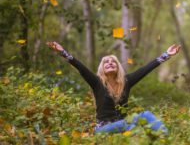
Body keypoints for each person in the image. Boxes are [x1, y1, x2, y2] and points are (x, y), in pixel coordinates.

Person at [46, 42, 181, 135]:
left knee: (140, 121)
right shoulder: (97, 82)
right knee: (136, 123)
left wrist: (166, 55)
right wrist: (63, 52)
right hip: (103, 129)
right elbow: (81, 68)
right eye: (106, 62)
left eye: (113, 62)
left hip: (124, 125)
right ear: (102, 68)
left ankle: (166, 137)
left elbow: (145, 69)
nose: (110, 63)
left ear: (118, 67)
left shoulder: (126, 81)